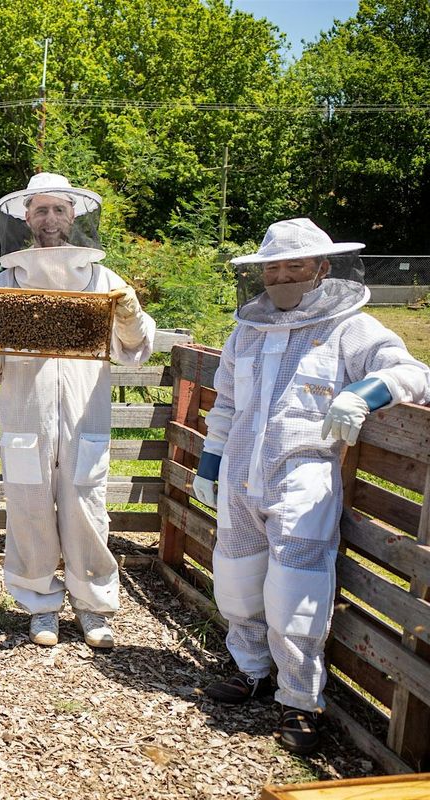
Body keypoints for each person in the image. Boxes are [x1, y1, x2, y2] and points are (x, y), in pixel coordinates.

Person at [192, 217, 430, 754]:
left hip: (303, 480)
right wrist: (209, 465)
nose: (282, 275)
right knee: (235, 581)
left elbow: (411, 370)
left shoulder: (352, 326)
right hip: (238, 479)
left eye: (295, 265)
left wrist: (364, 393)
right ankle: (251, 670)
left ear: (323, 267)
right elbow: (227, 404)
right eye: (273, 266)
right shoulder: (246, 330)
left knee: (296, 594)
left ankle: (301, 702)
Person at [0, 172, 155, 649]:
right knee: (28, 511)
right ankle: (40, 606)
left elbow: (136, 349)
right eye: (41, 210)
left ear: (74, 216)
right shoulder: (6, 282)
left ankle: (93, 608)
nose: (49, 219)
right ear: (26, 217)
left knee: (88, 511)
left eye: (59, 210)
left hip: (83, 418)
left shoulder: (103, 279)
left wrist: (132, 317)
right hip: (25, 418)